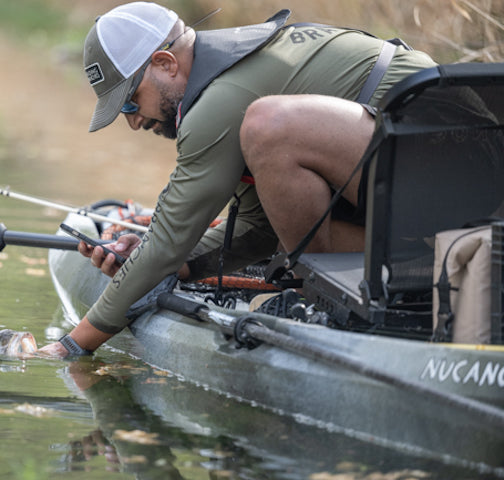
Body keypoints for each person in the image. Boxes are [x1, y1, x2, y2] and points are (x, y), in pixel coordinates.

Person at [38, 2, 437, 358]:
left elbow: (166, 240)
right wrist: (179, 267)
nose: (133, 122)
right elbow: (257, 230)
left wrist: (73, 343)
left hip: (452, 171)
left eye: (130, 101)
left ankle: (329, 311)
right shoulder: (234, 78)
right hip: (424, 184)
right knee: (283, 239)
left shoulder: (221, 101)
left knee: (268, 125)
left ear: (165, 63)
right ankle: (370, 289)